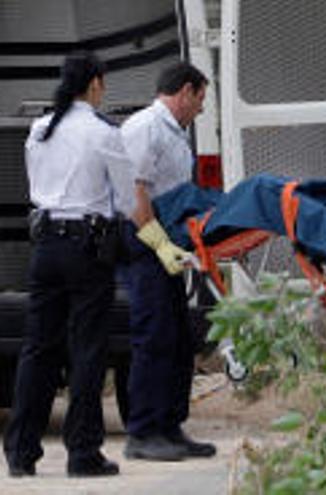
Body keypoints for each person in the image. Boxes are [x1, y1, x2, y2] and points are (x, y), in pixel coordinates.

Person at [3, 51, 135, 477]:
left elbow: (38, 188)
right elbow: (128, 199)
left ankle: (21, 452)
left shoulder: (40, 129)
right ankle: (82, 453)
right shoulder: (102, 132)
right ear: (95, 84)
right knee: (87, 351)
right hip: (86, 250)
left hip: (46, 249)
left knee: (38, 349)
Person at [120, 62, 216, 461]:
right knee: (154, 335)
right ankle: (142, 432)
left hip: (170, 241)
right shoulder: (145, 128)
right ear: (186, 92)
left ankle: (170, 426)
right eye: (201, 99)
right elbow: (134, 192)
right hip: (145, 241)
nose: (201, 109)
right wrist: (158, 243)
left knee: (178, 338)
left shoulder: (174, 133)